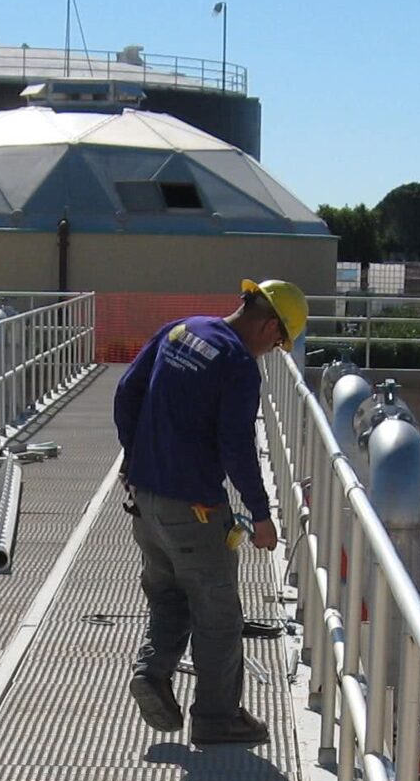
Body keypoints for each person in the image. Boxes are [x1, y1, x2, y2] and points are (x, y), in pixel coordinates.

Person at [112, 278, 310, 745]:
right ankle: (217, 716)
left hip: (146, 499)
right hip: (195, 509)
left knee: (168, 594)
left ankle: (152, 672)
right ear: (267, 326)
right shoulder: (239, 366)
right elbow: (237, 447)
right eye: (279, 342)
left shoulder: (180, 329)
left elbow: (126, 393)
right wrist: (261, 516)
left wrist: (135, 459)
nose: (273, 350)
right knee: (218, 612)